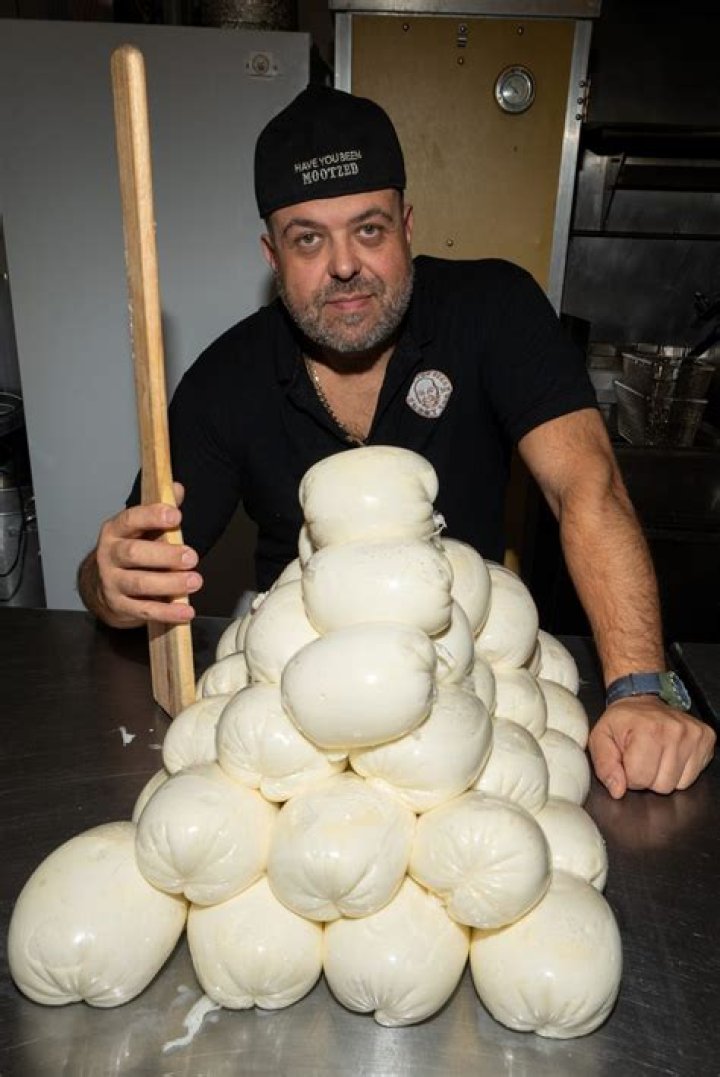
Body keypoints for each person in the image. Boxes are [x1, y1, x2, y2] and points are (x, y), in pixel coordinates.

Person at [78, 84, 715, 799]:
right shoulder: (227, 379)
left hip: (471, 683)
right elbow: (135, 568)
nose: (344, 265)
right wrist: (109, 583)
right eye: (308, 239)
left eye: (369, 230)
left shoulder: (494, 311)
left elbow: (586, 487)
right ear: (272, 254)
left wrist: (639, 688)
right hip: (297, 710)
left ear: (407, 227)